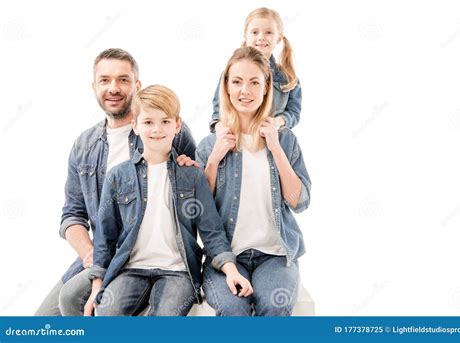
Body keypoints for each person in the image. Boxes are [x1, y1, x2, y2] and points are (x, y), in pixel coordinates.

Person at [35, 48, 197, 316]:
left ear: (137, 85)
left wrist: (193, 166)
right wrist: (91, 255)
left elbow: (199, 186)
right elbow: (72, 215)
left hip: (153, 256)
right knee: (43, 321)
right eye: (105, 80)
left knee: (79, 301)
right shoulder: (85, 146)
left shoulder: (165, 129)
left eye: (123, 80)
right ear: (94, 86)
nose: (114, 88)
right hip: (102, 254)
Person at [86, 85, 252, 316]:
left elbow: (212, 231)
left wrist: (231, 270)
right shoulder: (117, 176)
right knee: (107, 314)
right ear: (134, 125)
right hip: (130, 269)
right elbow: (105, 236)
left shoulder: (192, 176)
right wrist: (97, 287)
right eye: (148, 122)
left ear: (177, 124)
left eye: (165, 121)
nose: (157, 129)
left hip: (178, 271)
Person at [196, 47, 311, 316]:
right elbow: (199, 213)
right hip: (225, 258)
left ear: (266, 87)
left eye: (254, 82)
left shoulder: (285, 140)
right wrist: (213, 160)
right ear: (225, 87)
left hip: (274, 255)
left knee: (275, 304)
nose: (245, 91)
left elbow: (300, 202)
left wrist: (276, 148)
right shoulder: (209, 144)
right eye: (236, 82)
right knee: (234, 309)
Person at [210, 7, 302, 133]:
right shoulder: (230, 71)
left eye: (268, 32)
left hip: (272, 141)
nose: (261, 37)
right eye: (254, 32)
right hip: (236, 141)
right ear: (245, 36)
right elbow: (218, 111)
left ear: (279, 38)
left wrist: (277, 122)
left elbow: (294, 112)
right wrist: (220, 128)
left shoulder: (288, 78)